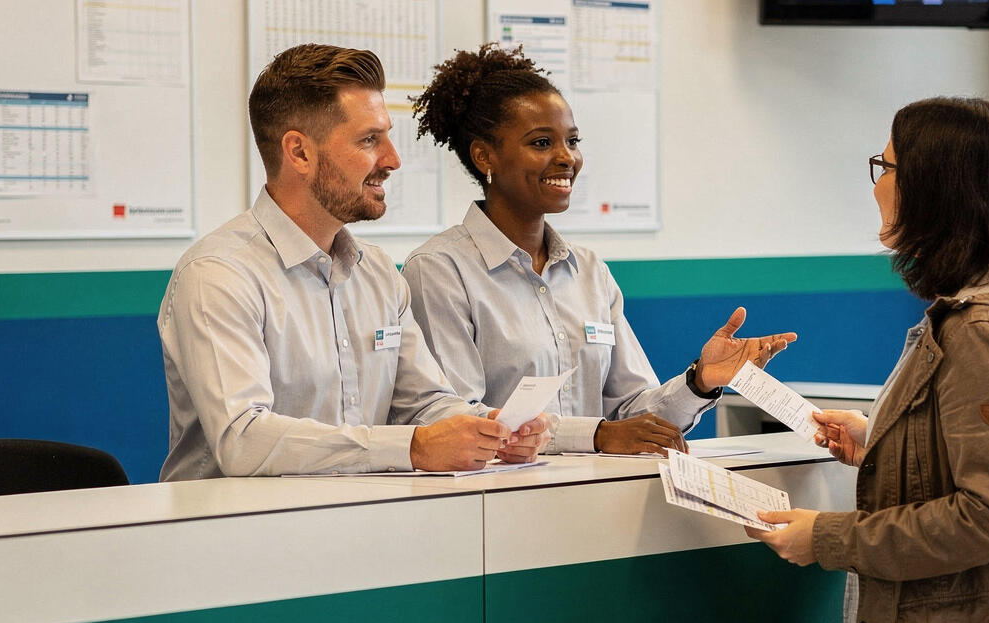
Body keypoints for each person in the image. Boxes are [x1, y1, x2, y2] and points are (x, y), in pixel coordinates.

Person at [745, 97, 989, 623]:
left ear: (935, 189)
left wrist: (827, 538)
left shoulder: (985, 333)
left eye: (885, 169)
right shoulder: (980, 313)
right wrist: (883, 442)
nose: (877, 185)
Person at [158, 44, 551, 481]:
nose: (392, 160)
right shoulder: (218, 274)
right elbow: (244, 439)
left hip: (359, 529)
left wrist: (493, 428)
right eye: (369, 140)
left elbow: (424, 404)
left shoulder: (379, 273)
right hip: (237, 538)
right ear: (300, 153)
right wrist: (415, 446)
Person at [402, 44, 797, 456]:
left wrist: (699, 381)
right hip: (491, 505)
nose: (566, 158)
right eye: (541, 143)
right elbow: (456, 420)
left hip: (593, 499)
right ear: (485, 156)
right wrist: (595, 435)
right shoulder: (439, 270)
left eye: (572, 141)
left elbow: (631, 414)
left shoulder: (588, 271)